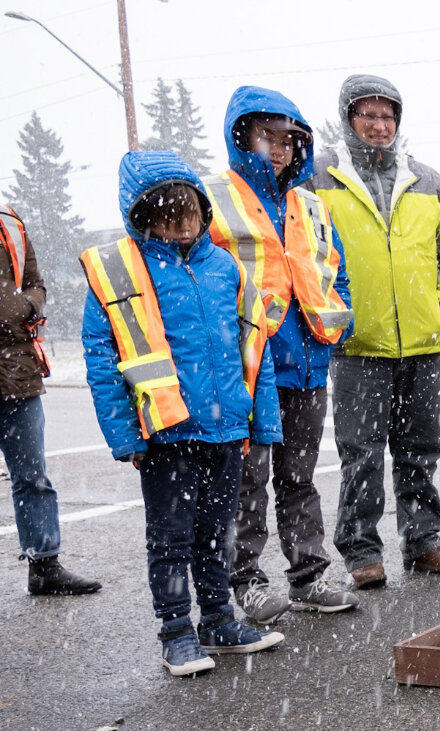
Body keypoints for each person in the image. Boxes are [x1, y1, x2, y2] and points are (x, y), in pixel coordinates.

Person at [80, 151, 284, 676]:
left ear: (202, 208)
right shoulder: (122, 270)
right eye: (166, 210)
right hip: (167, 433)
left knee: (219, 534)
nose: (180, 219)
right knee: (170, 538)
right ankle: (175, 633)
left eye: (188, 207)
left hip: (225, 430)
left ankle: (217, 620)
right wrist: (126, 434)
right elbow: (103, 360)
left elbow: (253, 349)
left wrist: (262, 422)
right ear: (142, 215)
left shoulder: (225, 267)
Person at [310, 74, 440, 588]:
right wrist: (333, 313)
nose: (379, 125)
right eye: (368, 115)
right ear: (349, 119)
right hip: (358, 346)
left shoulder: (427, 180)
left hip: (423, 344)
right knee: (361, 453)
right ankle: (360, 551)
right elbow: (304, 253)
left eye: (387, 116)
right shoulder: (321, 179)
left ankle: (423, 542)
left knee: (420, 449)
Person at [205, 85, 358, 623]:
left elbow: (334, 270)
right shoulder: (214, 198)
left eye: (288, 138)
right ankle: (244, 580)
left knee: (299, 477)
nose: (278, 147)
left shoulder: (309, 204)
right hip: (249, 370)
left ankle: (308, 577)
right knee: (246, 480)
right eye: (266, 134)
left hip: (308, 364)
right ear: (241, 135)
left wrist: (341, 321)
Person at [0, 203, 100, 596]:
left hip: (17, 369)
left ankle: (45, 564)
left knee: (32, 475)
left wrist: (24, 305)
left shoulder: (11, 223)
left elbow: (37, 284)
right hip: (15, 361)